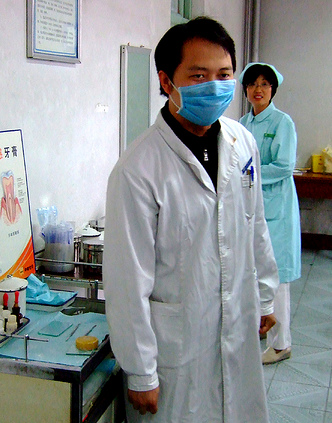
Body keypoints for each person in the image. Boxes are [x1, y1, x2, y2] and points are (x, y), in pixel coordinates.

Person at [103, 17, 279, 422]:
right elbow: (127, 280)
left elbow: (255, 225)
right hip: (177, 349)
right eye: (199, 76)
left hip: (237, 325)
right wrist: (141, 371)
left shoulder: (241, 142)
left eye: (224, 75)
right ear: (167, 82)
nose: (214, 87)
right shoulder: (138, 169)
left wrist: (265, 295)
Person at [239, 62, 301, 364]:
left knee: (277, 276)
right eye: (253, 84)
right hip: (249, 206)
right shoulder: (243, 123)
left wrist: (248, 173)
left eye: (264, 84)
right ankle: (262, 328)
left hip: (276, 209)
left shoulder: (282, 122)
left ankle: (281, 344)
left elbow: (284, 166)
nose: (258, 89)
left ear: (273, 89)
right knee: (253, 272)